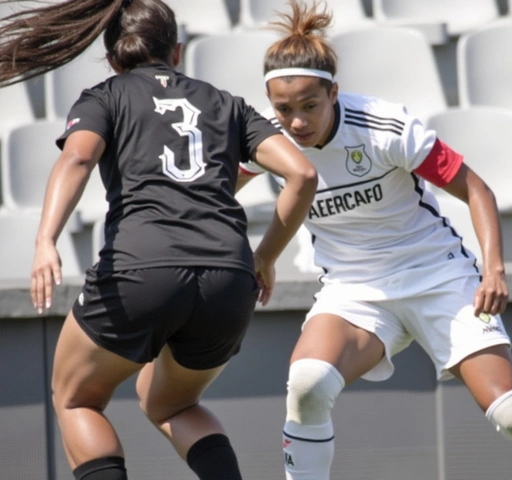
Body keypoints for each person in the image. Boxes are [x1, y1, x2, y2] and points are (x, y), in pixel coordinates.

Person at [236, 2, 512, 479]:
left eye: (310, 106)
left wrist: (493, 269)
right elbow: (215, 189)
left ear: (334, 92)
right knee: (307, 385)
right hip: (353, 289)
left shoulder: (383, 126)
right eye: (285, 110)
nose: (298, 123)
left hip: (438, 276)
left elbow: (476, 189)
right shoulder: (267, 137)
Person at [0, 1, 318, 479]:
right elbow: (303, 173)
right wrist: (265, 258)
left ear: (113, 58)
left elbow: (78, 160)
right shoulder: (225, 102)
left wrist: (46, 240)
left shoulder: (104, 96)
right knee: (170, 405)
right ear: (177, 52)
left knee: (75, 399)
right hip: (228, 281)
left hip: (141, 270)